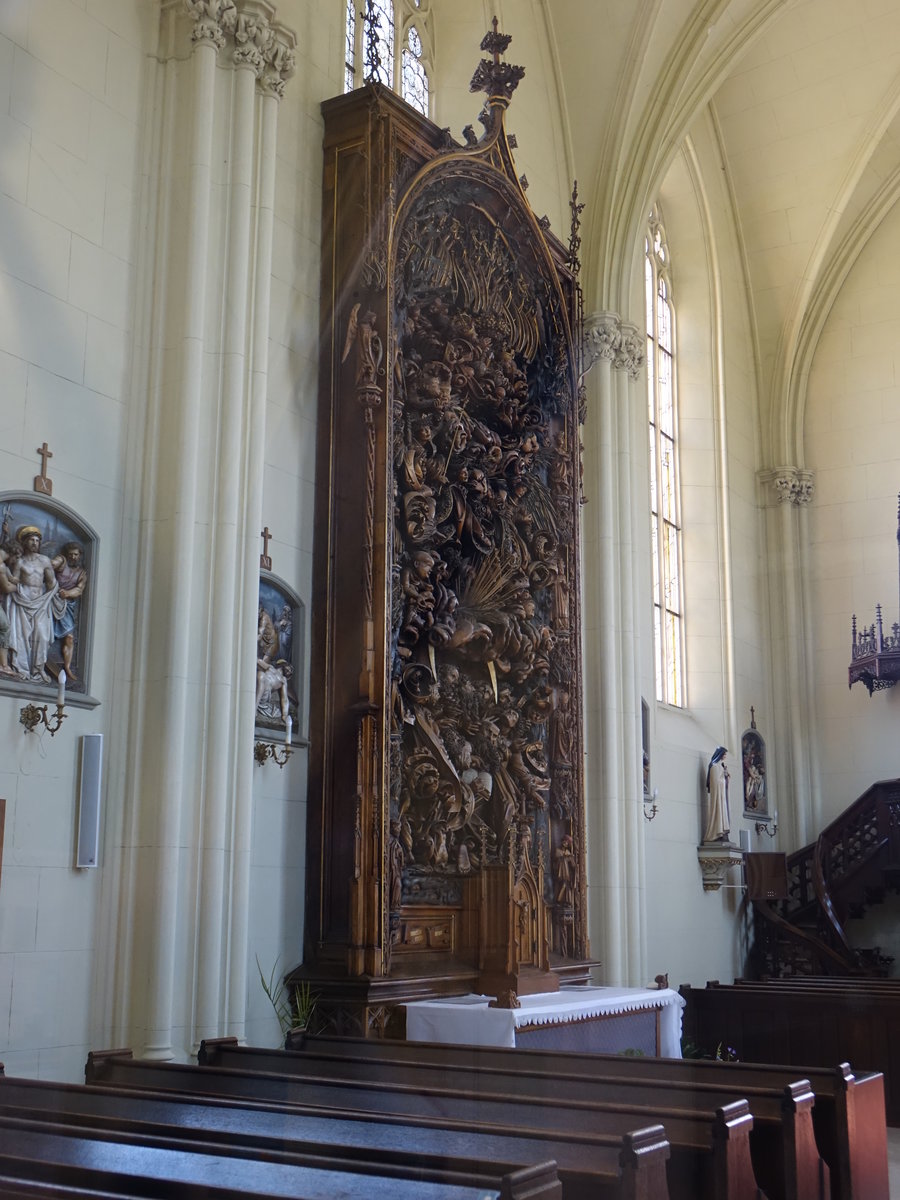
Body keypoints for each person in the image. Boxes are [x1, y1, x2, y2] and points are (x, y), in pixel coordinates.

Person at [4, 526, 66, 682]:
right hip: (22, 601)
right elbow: (15, 580)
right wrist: (5, 573)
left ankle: (38, 670)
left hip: (40, 603)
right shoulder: (19, 561)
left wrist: (55, 596)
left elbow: (51, 583)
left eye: (37, 540)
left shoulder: (44, 561)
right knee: (22, 637)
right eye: (31, 540)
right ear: (25, 542)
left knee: (42, 636)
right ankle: (23, 669)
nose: (34, 543)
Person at [52, 542, 87, 680]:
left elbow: (79, 590)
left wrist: (67, 593)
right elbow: (51, 564)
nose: (73, 557)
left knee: (70, 637)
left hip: (67, 605)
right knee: (46, 633)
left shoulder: (81, 573)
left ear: (80, 556)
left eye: (76, 554)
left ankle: (67, 666)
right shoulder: (62, 561)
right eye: (71, 554)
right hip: (52, 601)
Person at [704, 746, 731, 843]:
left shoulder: (720, 766)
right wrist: (723, 777)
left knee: (724, 812)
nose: (725, 756)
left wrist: (726, 776)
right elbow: (715, 782)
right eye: (724, 754)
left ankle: (723, 832)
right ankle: (716, 832)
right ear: (719, 755)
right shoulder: (714, 766)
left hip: (722, 796)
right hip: (717, 797)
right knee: (718, 812)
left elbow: (723, 780)